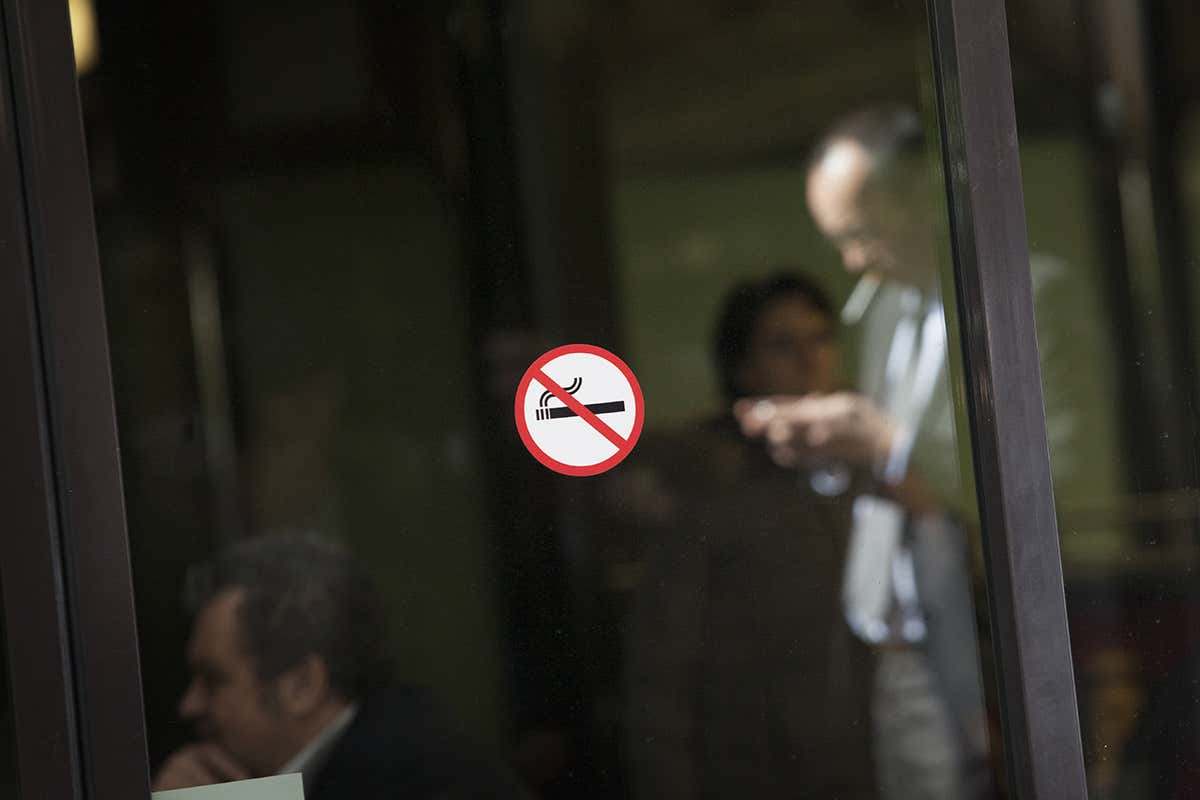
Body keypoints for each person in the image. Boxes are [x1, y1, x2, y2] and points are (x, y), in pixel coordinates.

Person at [734, 107, 997, 800]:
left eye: (859, 233)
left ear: (918, 198)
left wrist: (880, 445)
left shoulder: (1011, 296)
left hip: (982, 636)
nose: (852, 262)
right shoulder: (883, 312)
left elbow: (1041, 478)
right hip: (896, 645)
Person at [624, 272, 878, 799]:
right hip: (755, 769)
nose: (810, 359)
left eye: (820, 339)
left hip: (870, 763)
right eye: (784, 345)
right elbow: (662, 668)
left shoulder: (871, 469)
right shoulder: (710, 485)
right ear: (745, 368)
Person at [152, 532, 526, 800]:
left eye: (213, 679)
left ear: (302, 685)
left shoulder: (409, 778)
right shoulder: (388, 751)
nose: (190, 704)